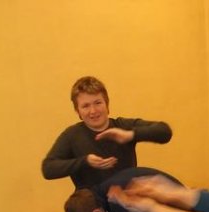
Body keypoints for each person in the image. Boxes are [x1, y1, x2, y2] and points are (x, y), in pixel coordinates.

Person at [42, 76, 172, 190]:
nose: (93, 111)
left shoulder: (122, 126)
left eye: (98, 103)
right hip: (93, 204)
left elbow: (164, 131)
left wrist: (130, 135)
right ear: (78, 111)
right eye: (85, 106)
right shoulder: (72, 135)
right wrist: (85, 161)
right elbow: (48, 169)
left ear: (107, 104)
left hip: (127, 199)